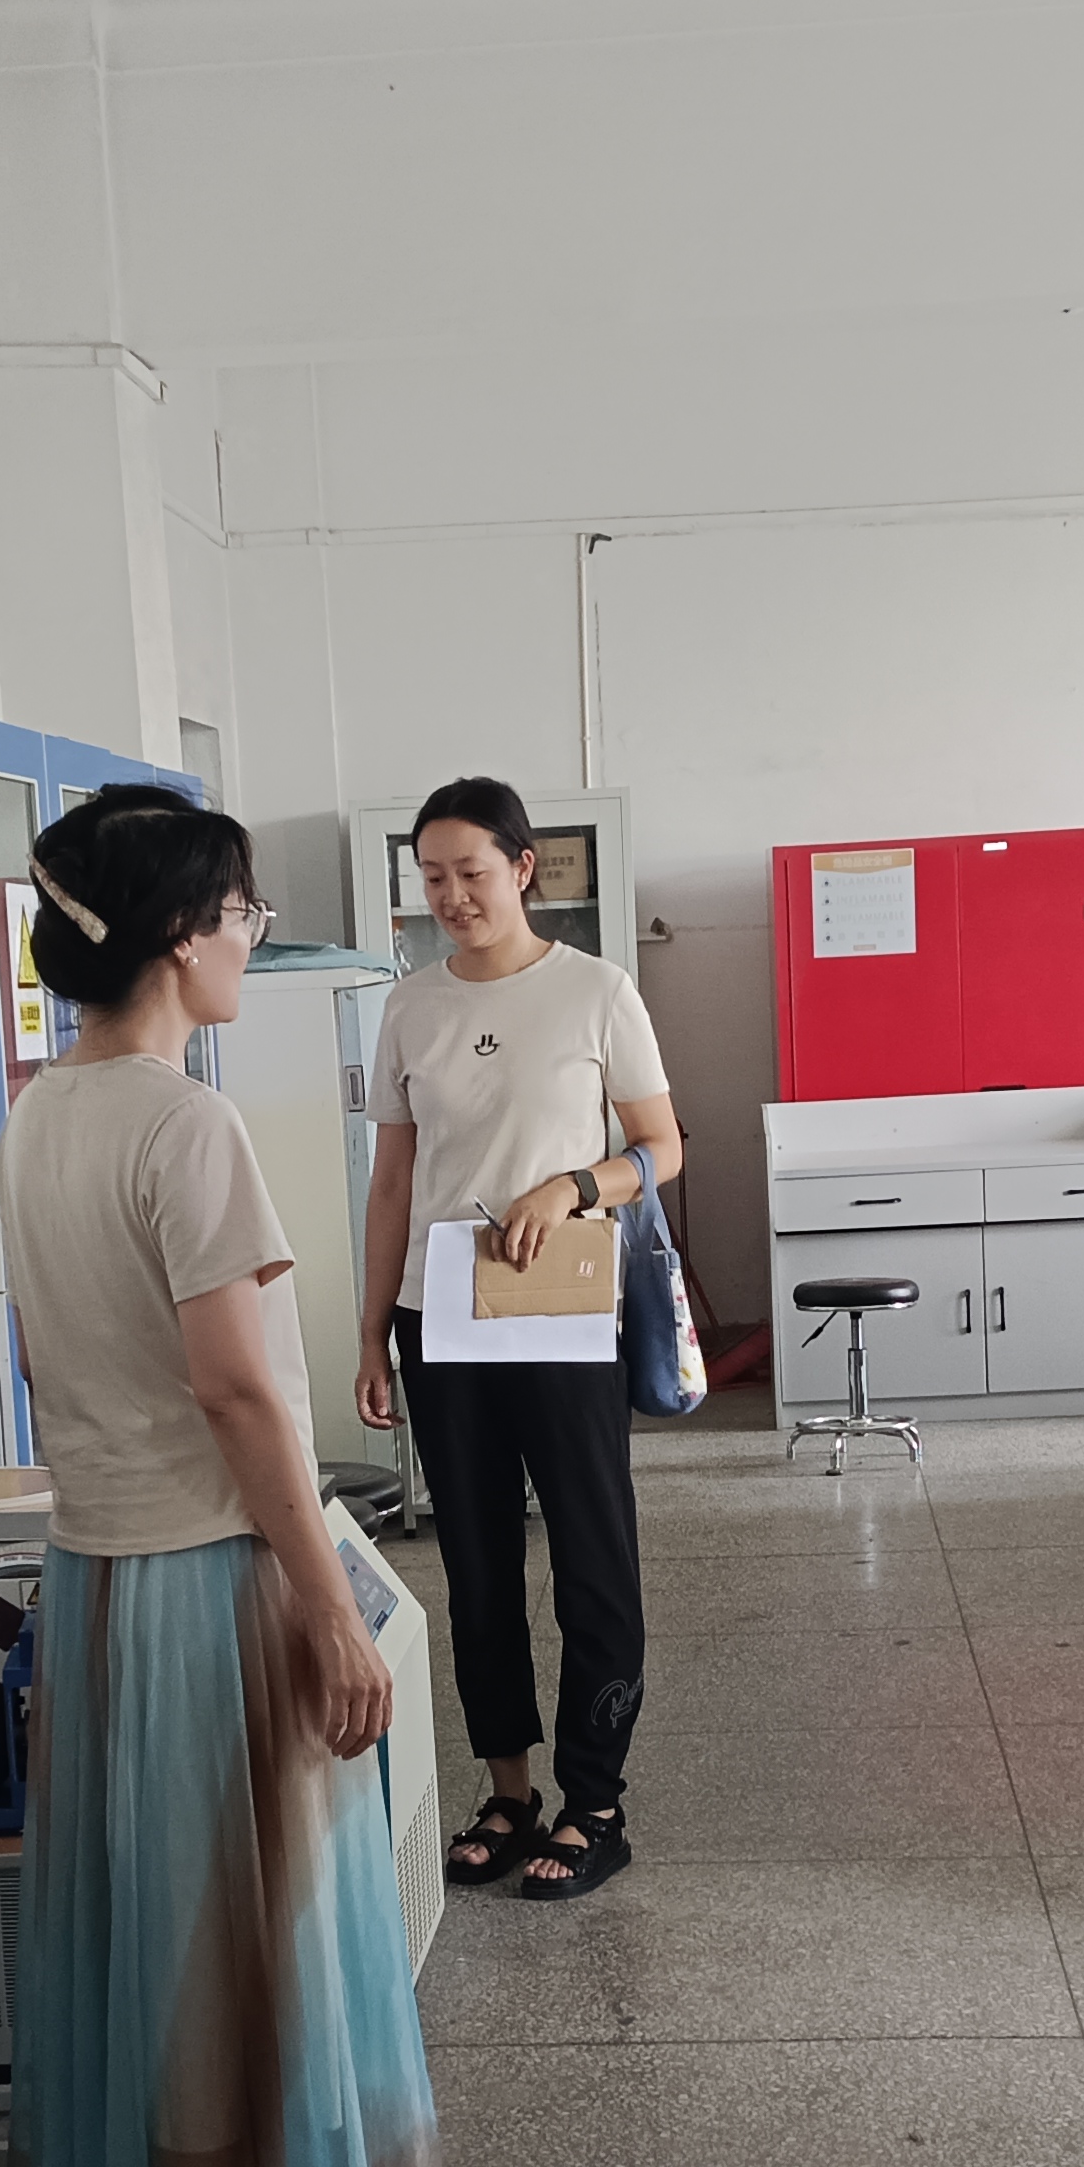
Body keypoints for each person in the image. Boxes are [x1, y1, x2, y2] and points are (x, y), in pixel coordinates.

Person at [0, 784, 444, 2167]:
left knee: (137, 1954)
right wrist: (330, 1611)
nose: (252, 937)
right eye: (242, 912)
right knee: (225, 1984)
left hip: (98, 1579)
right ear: (183, 938)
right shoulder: (188, 1128)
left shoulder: (42, 1112)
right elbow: (241, 1395)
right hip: (204, 1585)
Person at [353, 776, 683, 1902]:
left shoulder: (596, 991)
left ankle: (597, 1803)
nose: (451, 896)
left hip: (563, 1309)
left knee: (592, 1555)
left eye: (472, 873)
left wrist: (573, 1185)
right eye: (432, 877)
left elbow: (662, 1148)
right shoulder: (409, 1006)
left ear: (523, 868)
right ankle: (509, 1792)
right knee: (477, 1564)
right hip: (438, 1314)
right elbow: (392, 1181)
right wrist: (370, 1334)